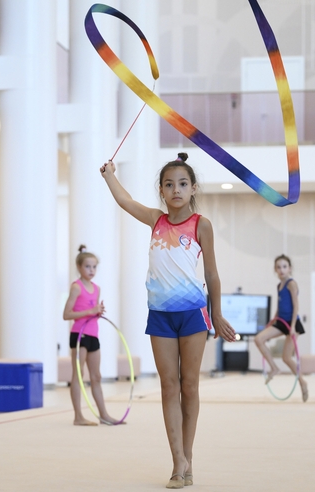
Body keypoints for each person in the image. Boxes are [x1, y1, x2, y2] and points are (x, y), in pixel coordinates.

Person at [100, 152, 236, 489]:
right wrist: (109, 175)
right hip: (160, 315)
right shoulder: (156, 220)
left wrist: (216, 313)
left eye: (183, 184)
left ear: (193, 189)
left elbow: (212, 274)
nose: (176, 189)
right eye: (169, 184)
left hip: (192, 314)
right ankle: (178, 461)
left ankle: (187, 458)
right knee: (168, 386)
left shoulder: (201, 224)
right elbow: (124, 200)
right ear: (161, 191)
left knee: (190, 386)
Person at [62, 245, 121, 426]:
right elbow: (66, 315)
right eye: (88, 267)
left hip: (93, 335)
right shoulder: (76, 287)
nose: (91, 270)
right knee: (78, 375)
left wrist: (97, 312)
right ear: (79, 267)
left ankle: (103, 414)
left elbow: (92, 312)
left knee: (96, 376)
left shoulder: (97, 288)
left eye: (94, 267)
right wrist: (91, 310)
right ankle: (78, 416)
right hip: (79, 336)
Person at [253, 254, 308, 402]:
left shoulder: (291, 284)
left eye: (284, 267)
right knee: (259, 339)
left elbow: (296, 305)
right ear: (275, 270)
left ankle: (302, 382)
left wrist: (291, 327)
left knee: (286, 358)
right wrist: (272, 320)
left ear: (289, 268)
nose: (281, 270)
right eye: (278, 267)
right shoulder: (279, 285)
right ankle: (273, 368)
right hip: (281, 321)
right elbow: (280, 306)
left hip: (292, 323)